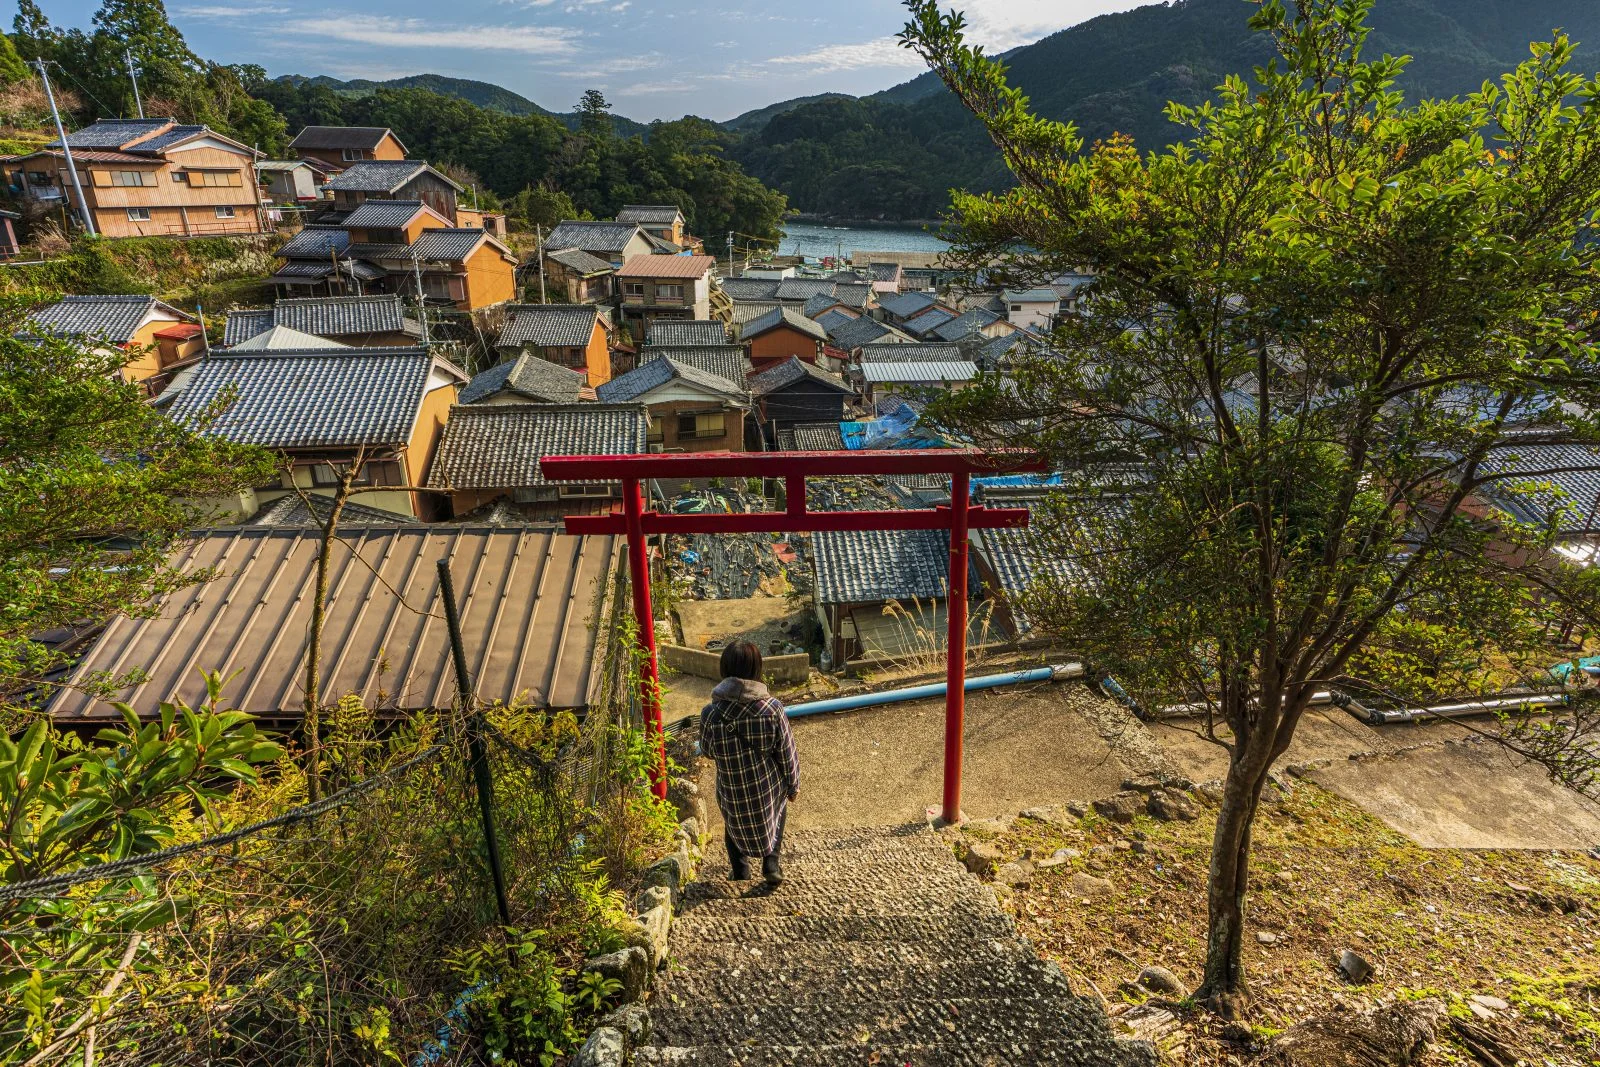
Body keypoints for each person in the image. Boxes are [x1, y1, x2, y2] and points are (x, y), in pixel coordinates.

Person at [699, 640, 799, 886]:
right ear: (757, 669)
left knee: (732, 822)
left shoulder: (710, 714)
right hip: (767, 787)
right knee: (776, 812)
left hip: (732, 787)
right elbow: (787, 752)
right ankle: (771, 864)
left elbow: (708, 750)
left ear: (725, 668)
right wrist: (793, 785)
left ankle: (740, 870)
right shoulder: (772, 709)